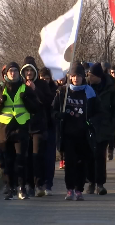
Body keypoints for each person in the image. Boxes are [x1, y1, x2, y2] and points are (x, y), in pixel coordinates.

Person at [52, 62, 96, 201]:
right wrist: (59, 115)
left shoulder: (89, 92)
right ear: (70, 77)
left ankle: (79, 189)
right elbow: (53, 111)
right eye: (73, 76)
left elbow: (98, 111)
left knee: (82, 163)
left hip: (83, 134)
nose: (76, 78)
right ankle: (69, 189)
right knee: (70, 163)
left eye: (79, 76)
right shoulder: (63, 92)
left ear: (83, 77)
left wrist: (92, 122)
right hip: (68, 134)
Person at [0, 62, 40, 200]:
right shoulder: (1, 89)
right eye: (10, 71)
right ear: (6, 74)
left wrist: (27, 99)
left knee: (21, 160)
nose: (13, 73)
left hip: (21, 128)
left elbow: (36, 108)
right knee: (8, 161)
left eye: (15, 71)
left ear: (19, 73)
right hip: (5, 130)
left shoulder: (25, 88)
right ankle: (9, 188)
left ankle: (21, 188)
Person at [86, 63, 115, 195]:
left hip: (104, 126)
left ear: (98, 76)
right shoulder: (86, 88)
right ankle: (90, 182)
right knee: (89, 155)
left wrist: (112, 123)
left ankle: (100, 184)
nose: (89, 77)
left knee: (100, 156)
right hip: (89, 125)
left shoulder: (110, 89)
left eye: (91, 75)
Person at [20, 56, 53, 197]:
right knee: (26, 157)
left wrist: (35, 90)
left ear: (35, 71)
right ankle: (29, 185)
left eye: (31, 70)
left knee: (37, 156)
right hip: (24, 126)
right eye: (26, 70)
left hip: (39, 126)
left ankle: (39, 184)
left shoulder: (41, 84)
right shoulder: (19, 84)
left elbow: (47, 102)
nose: (29, 73)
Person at [39, 67, 58, 196]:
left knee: (50, 157)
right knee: (39, 157)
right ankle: (38, 183)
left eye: (47, 78)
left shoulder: (55, 91)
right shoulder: (34, 89)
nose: (45, 81)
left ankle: (48, 184)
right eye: (42, 79)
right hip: (38, 128)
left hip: (51, 127)